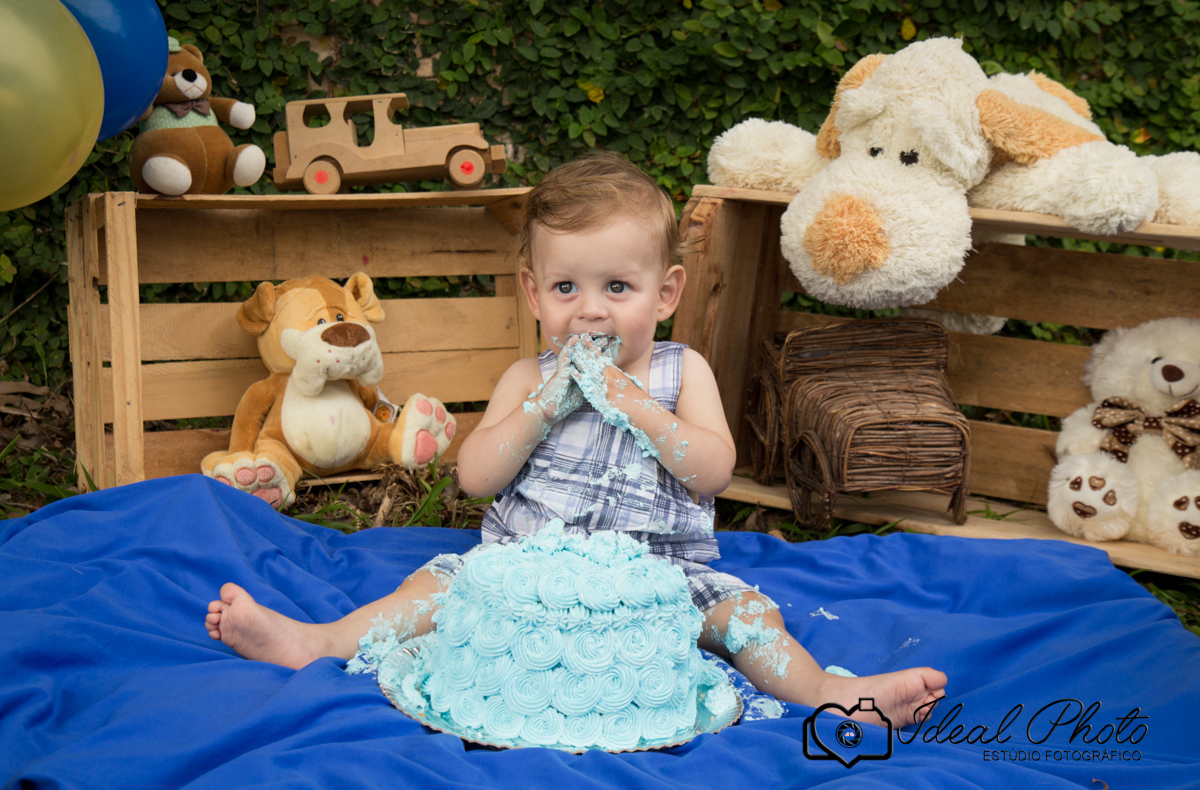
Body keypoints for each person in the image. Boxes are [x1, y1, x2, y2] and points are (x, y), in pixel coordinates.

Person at [205, 152, 946, 728]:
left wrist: (639, 409)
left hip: (661, 577)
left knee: (750, 619)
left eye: (617, 289)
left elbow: (713, 471)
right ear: (535, 294)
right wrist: (539, 407)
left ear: (666, 294)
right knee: (430, 589)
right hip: (523, 570)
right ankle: (322, 642)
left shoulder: (679, 371)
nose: (590, 311)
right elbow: (477, 477)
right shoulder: (529, 372)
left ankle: (823, 692)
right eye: (566, 290)